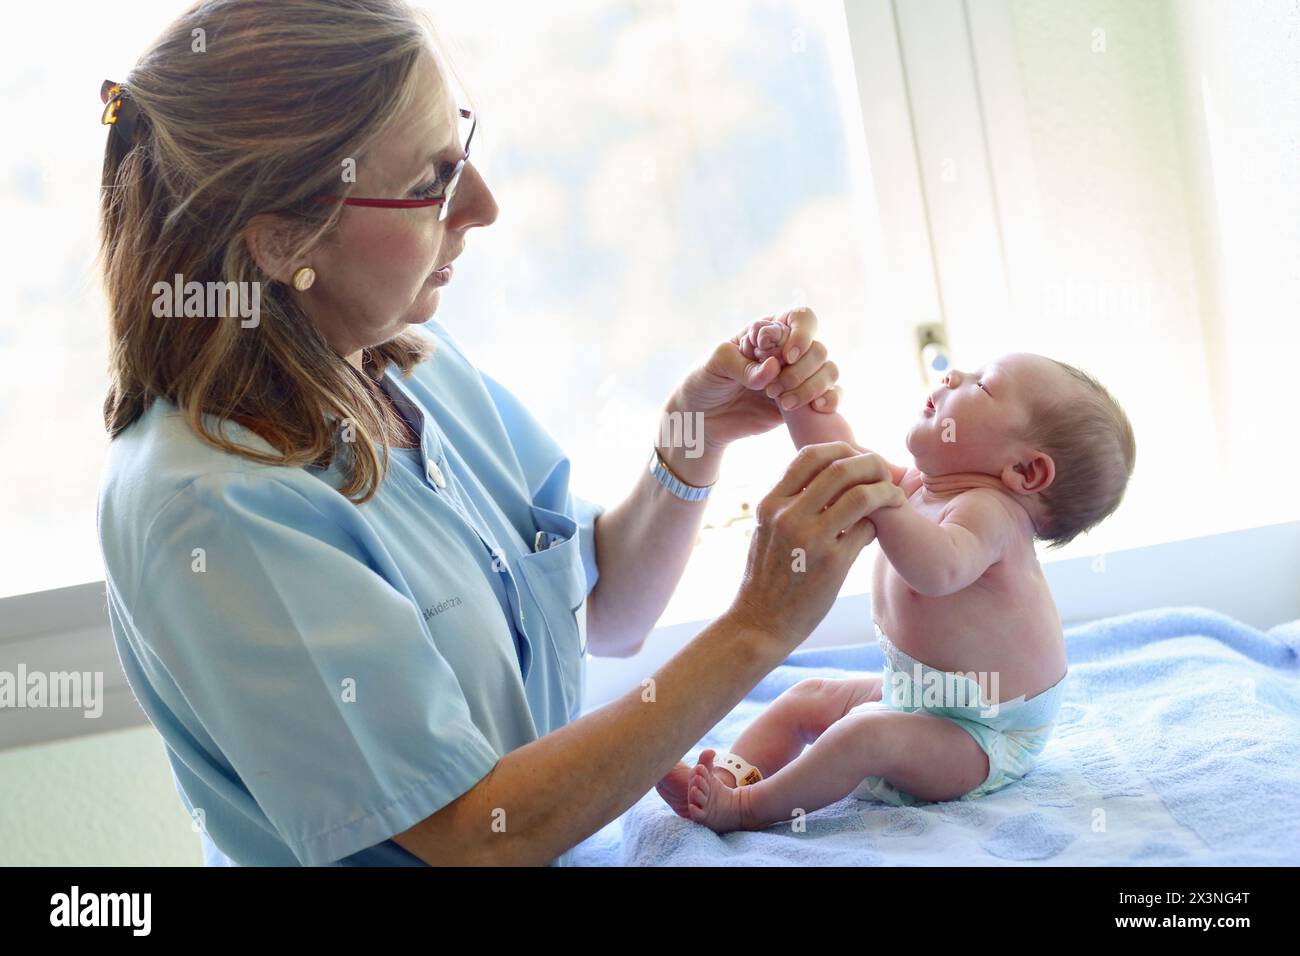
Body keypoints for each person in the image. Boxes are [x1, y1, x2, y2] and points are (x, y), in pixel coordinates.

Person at [95, 0, 901, 865]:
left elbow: (607, 609)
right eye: (430, 182)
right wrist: (759, 627)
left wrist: (689, 439)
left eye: (462, 149)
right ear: (280, 237)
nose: (482, 204)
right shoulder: (213, 511)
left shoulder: (413, 369)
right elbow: (473, 837)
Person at [659, 323, 1135, 830]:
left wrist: (881, 500)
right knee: (807, 698)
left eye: (983, 385)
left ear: (1026, 472)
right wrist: (797, 398)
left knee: (864, 734)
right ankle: (732, 777)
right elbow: (839, 461)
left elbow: (939, 569)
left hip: (983, 731)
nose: (954, 375)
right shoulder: (919, 489)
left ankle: (747, 810)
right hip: (919, 696)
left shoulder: (990, 514)